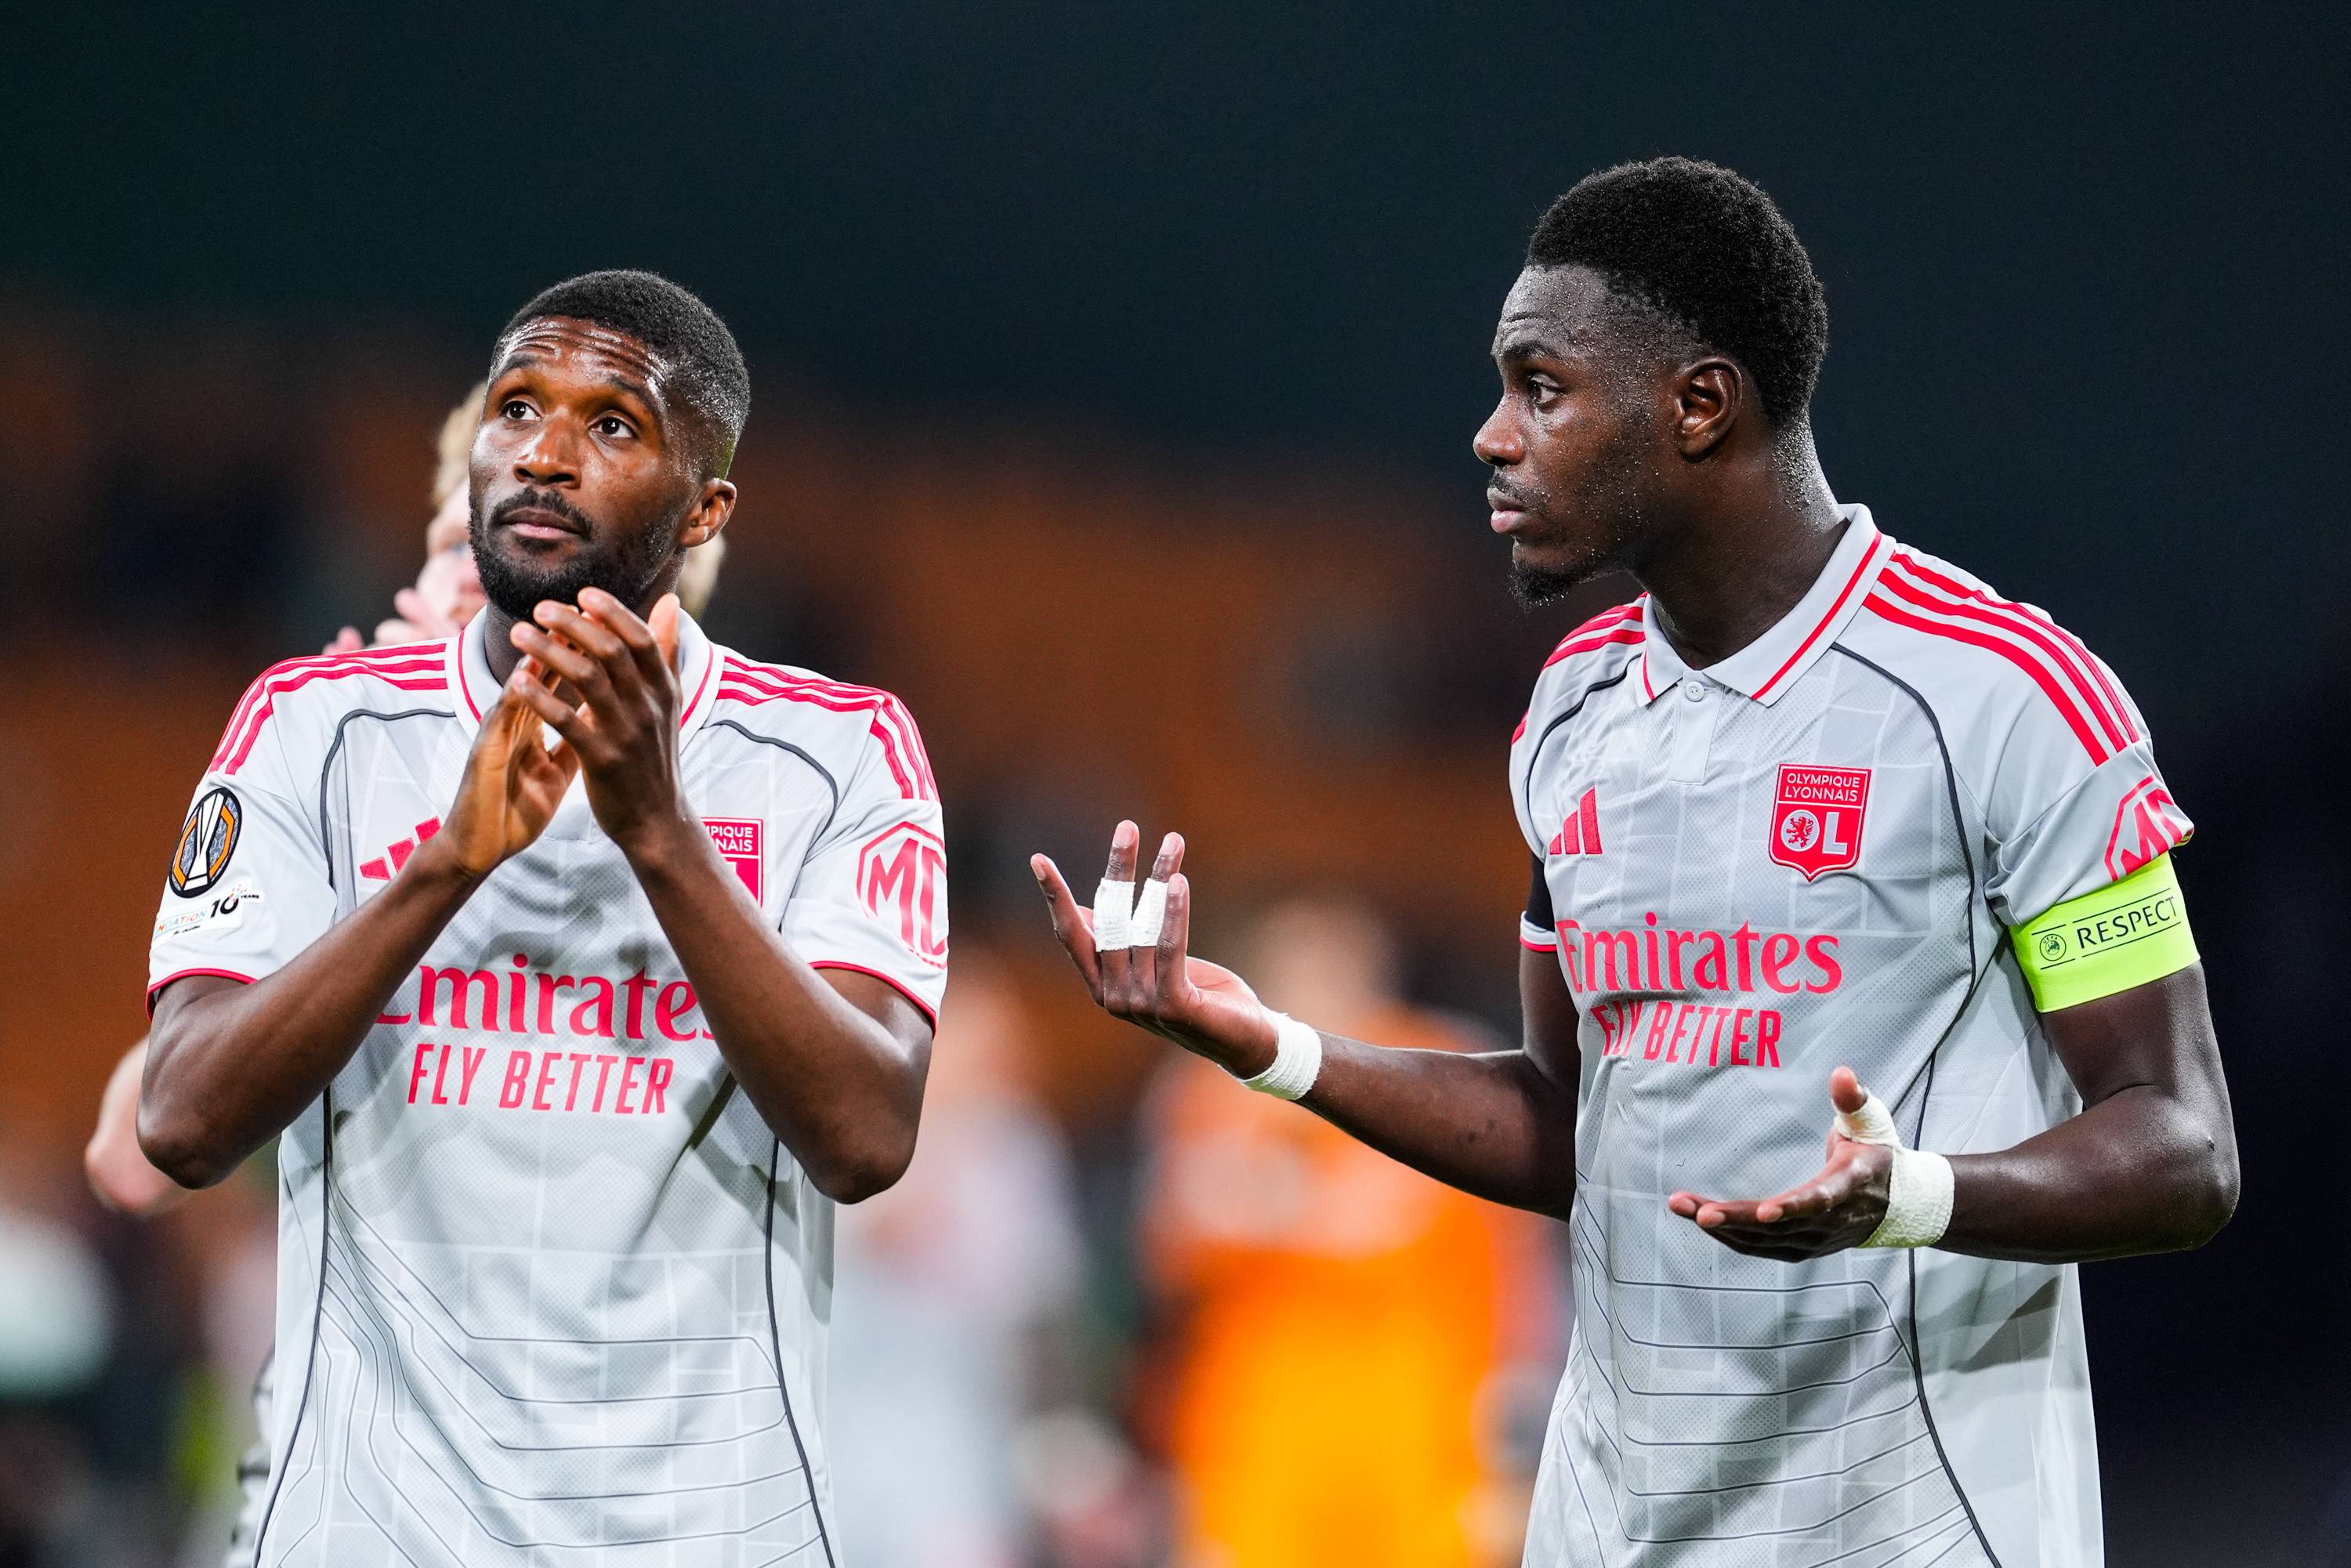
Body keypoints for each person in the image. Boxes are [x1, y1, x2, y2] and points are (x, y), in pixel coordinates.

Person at [1033, 158, 2237, 1566]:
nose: (1492, 435)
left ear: (1699, 405)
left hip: (1912, 1523)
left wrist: (1913, 1196)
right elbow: (1572, 1120)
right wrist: (1275, 1048)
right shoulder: (1574, 712)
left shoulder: (2007, 697)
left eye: (1540, 388)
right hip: (1614, 1525)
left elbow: (2183, 1146)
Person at [139, 269, 944, 1566]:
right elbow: (180, 1119)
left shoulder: (837, 754)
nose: (545, 455)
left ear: (707, 506)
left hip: (709, 1534)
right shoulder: (314, 728)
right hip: (371, 1534)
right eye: (517, 408)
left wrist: (659, 831)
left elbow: (866, 1136)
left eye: (612, 424)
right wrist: (444, 868)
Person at [1139, 898, 1557, 1568]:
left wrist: (1273, 1198)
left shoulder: (1436, 1063)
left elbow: (1408, 1224)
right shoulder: (1212, 1076)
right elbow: (1177, 1233)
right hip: (1261, 1419)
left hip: (1420, 1419)